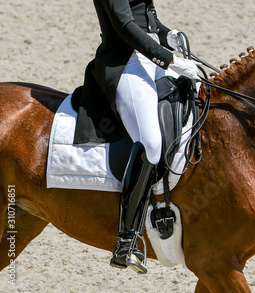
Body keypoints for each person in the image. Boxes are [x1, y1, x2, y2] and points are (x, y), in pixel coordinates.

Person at [78, 0, 199, 274]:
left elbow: (142, 14)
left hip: (150, 56)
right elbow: (124, 25)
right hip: (126, 62)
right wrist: (169, 59)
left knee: (196, 99)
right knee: (151, 145)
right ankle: (126, 240)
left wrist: (165, 33)